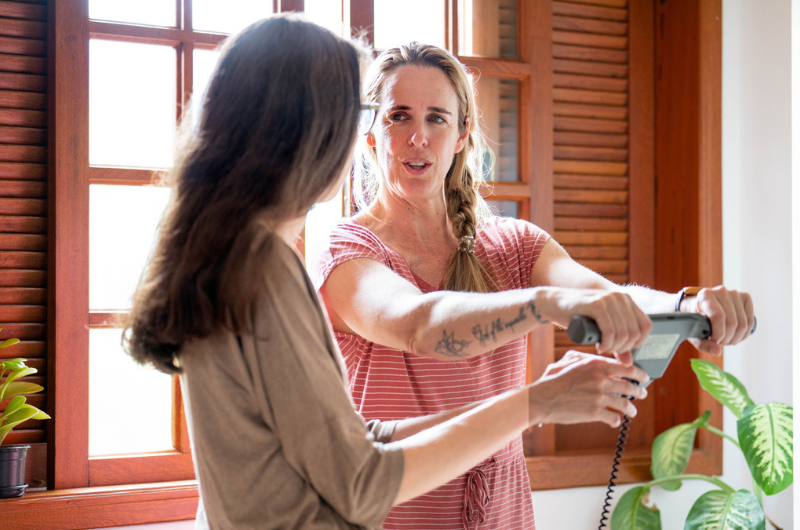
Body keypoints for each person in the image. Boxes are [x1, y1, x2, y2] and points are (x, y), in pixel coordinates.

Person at [123, 16, 653, 530]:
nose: (360, 138)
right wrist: (535, 393)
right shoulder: (262, 268)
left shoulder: (245, 260)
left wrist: (534, 402)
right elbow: (363, 481)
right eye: (372, 116)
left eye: (435, 118)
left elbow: (352, 440)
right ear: (302, 130)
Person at [311, 42, 756, 529]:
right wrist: (547, 304)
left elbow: (601, 293)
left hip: (504, 516)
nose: (418, 136)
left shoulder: (514, 244)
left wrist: (686, 305)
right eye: (399, 116)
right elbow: (419, 324)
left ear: (462, 135)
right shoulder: (347, 250)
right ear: (372, 133)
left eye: (437, 118)